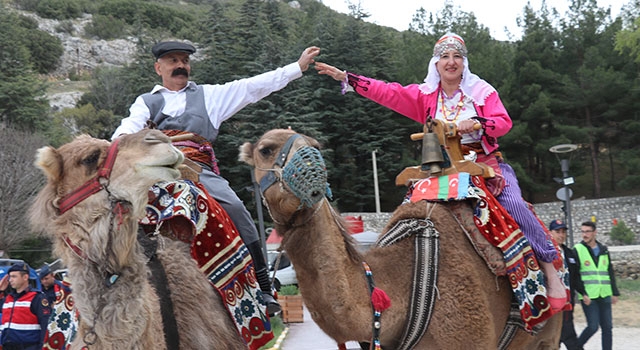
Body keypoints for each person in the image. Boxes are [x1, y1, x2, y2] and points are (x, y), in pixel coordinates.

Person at [314, 32, 567, 309]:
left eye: (457, 56)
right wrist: (348, 78)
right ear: (436, 64)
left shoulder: (482, 92)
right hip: (441, 169)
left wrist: (478, 123)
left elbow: (503, 123)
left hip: (484, 164)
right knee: (407, 211)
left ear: (464, 62)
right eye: (445, 56)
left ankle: (549, 269)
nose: (451, 62)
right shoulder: (424, 96)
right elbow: (388, 91)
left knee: (515, 205)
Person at [111, 41, 321, 316]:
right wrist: (114, 145)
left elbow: (252, 86)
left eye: (184, 60)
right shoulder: (146, 102)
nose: (180, 66)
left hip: (197, 169)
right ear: (158, 67)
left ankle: (263, 286)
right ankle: (114, 279)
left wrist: (297, 67)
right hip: (157, 171)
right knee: (116, 211)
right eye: (173, 60)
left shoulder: (209, 96)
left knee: (236, 209)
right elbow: (126, 130)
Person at [574, 221, 620, 350]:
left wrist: (614, 292)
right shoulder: (578, 249)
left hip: (604, 293)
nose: (585, 234)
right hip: (589, 295)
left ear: (595, 232)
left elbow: (609, 271)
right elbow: (575, 275)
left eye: (587, 231)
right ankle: (576, 347)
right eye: (583, 231)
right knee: (593, 326)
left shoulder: (604, 249)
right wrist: (582, 293)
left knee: (607, 328)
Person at [549, 219, 585, 350]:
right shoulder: (545, 253)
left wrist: (583, 293)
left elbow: (576, 276)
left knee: (561, 332)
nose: (561, 235)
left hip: (568, 301)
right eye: (557, 231)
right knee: (564, 334)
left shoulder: (570, 253)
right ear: (550, 233)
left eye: (563, 232)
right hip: (552, 301)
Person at [0, 263, 51, 350]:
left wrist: (42, 347)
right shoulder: (8, 299)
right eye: (10, 277)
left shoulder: (37, 297)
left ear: (25, 277)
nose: (10, 280)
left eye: (14, 276)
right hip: (7, 346)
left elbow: (45, 325)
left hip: (28, 346)